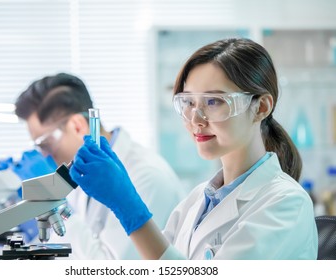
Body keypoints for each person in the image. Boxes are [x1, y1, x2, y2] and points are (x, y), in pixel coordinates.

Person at [69, 38, 318, 259]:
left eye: (214, 101)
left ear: (261, 107)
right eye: (188, 102)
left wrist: (127, 206)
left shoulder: (287, 203)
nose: (195, 119)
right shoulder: (197, 200)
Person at [12, 73, 185, 259]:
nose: (43, 155)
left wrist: (54, 204)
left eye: (44, 144)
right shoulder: (82, 169)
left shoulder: (147, 176)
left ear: (78, 126)